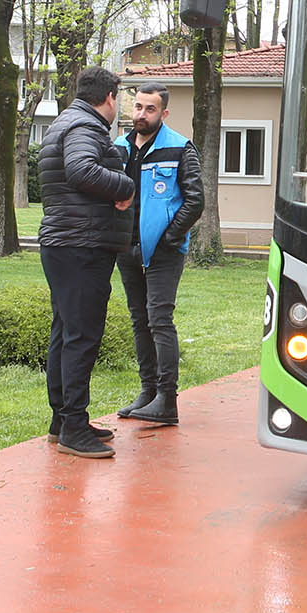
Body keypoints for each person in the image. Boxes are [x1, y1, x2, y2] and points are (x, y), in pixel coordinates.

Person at [37, 66, 134, 459]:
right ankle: (73, 427)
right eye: (120, 98)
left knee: (66, 331)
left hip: (66, 242)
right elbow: (80, 170)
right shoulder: (86, 127)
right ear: (109, 97)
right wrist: (125, 186)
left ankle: (63, 421)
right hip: (82, 244)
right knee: (81, 336)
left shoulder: (66, 122)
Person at [112, 83, 203, 428]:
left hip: (163, 252)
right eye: (137, 107)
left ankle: (167, 399)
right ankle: (147, 392)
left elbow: (195, 201)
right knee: (139, 321)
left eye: (150, 109)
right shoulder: (119, 148)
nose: (141, 115)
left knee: (159, 320)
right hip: (126, 248)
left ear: (163, 113)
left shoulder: (180, 148)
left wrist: (169, 237)